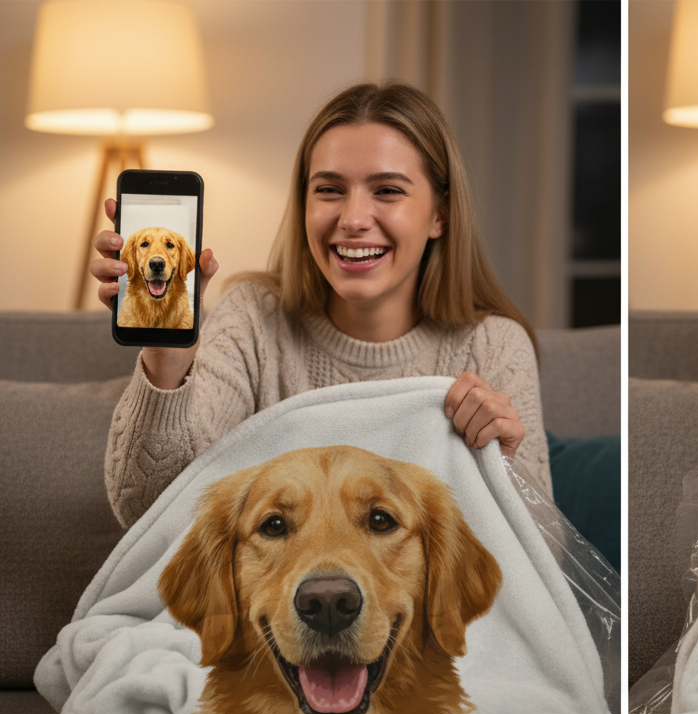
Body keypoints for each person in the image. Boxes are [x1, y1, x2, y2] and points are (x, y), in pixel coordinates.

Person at [94, 82, 551, 528]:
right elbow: (147, 512)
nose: (352, 220)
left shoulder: (494, 346)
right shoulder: (252, 319)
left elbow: (544, 564)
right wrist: (166, 361)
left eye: (387, 191)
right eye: (329, 190)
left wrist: (504, 468)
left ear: (439, 215)